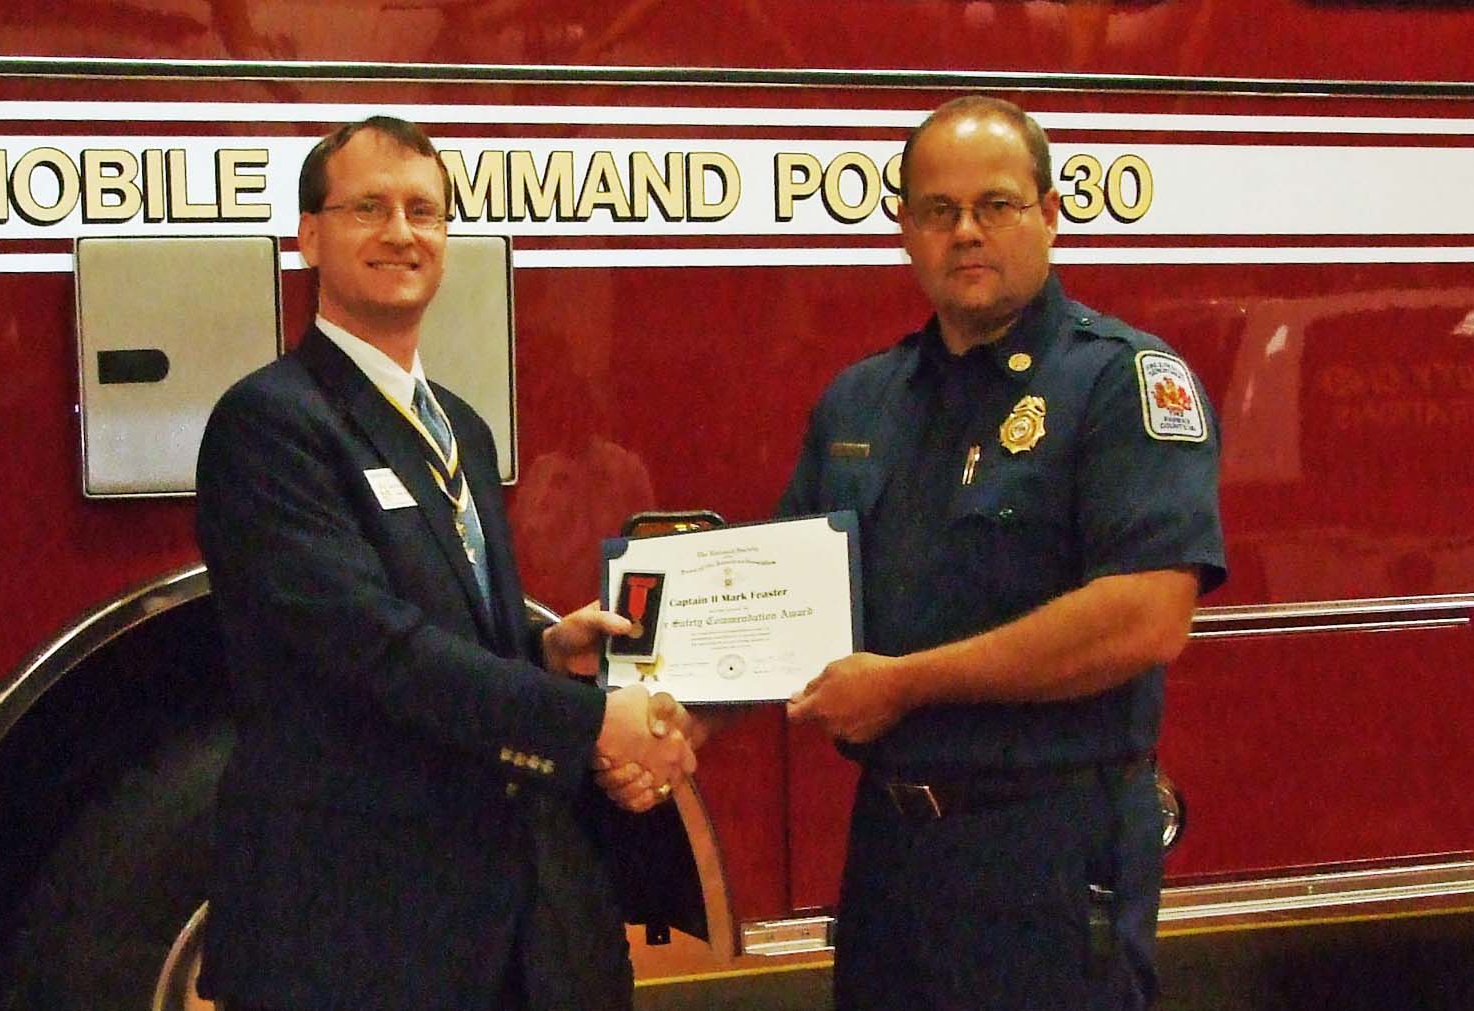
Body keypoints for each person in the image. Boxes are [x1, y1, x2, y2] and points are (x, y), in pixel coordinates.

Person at [193, 115, 695, 1011]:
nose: (399, 232)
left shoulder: (459, 424)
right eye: (367, 208)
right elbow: (375, 650)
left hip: (479, 912)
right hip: (342, 925)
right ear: (309, 235)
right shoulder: (270, 423)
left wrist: (541, 655)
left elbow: (441, 631)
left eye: (422, 211)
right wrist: (589, 724)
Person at [782, 96, 1226, 1010]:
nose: (965, 233)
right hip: (893, 857)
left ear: (1049, 213)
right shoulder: (861, 402)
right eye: (937, 211)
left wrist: (905, 683)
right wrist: (653, 686)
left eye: (995, 205)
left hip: (1051, 854)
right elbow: (784, 598)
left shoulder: (1122, 382)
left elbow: (1144, 616)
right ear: (905, 229)